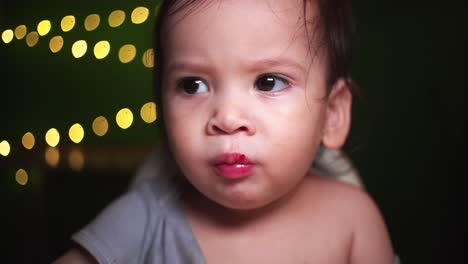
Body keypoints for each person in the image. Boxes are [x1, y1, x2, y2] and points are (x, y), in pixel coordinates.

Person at [54, 0, 399, 263]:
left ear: (332, 115)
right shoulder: (144, 218)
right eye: (193, 85)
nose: (228, 118)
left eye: (268, 82)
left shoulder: (352, 220)